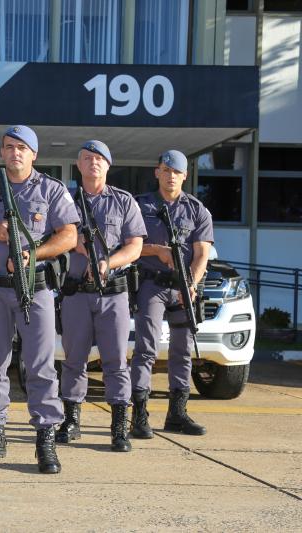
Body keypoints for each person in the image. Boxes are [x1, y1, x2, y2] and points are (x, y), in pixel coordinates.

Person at [0, 125, 78, 474]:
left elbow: (69, 235)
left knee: (40, 365)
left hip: (34, 289)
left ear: (34, 154)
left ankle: (45, 439)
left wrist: (33, 254)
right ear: (2, 152)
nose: (15, 153)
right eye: (9, 147)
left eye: (22, 148)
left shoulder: (52, 190)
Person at [55, 141, 146, 452]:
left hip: (113, 294)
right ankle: (71, 420)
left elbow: (135, 246)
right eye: (87, 158)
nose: (93, 163)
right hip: (76, 293)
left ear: (108, 165)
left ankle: (119, 427)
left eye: (99, 159)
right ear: (78, 165)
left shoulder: (123, 201)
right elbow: (53, 237)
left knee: (116, 361)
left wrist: (109, 262)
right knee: (73, 360)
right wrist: (77, 242)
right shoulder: (64, 200)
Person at [130, 150, 213, 438]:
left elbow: (202, 253)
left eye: (176, 172)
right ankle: (139, 415)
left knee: (182, 351)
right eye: (166, 170)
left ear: (185, 176)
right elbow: (131, 246)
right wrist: (158, 251)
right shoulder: (141, 206)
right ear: (157, 172)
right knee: (146, 349)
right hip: (151, 284)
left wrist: (190, 284)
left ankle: (177, 414)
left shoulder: (196, 209)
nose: (171, 176)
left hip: (183, 286)